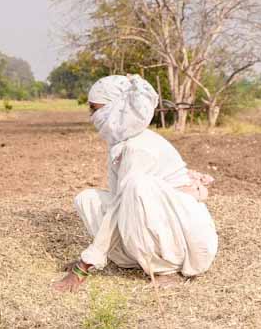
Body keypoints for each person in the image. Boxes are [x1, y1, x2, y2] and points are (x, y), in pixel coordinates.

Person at [53, 75, 218, 293]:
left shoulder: (139, 147)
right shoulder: (121, 143)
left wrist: (84, 266)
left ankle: (165, 269)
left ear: (117, 109)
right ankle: (132, 258)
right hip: (159, 221)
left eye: (95, 109)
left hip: (187, 241)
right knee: (87, 199)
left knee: (136, 186)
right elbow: (118, 204)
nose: (92, 116)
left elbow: (122, 203)